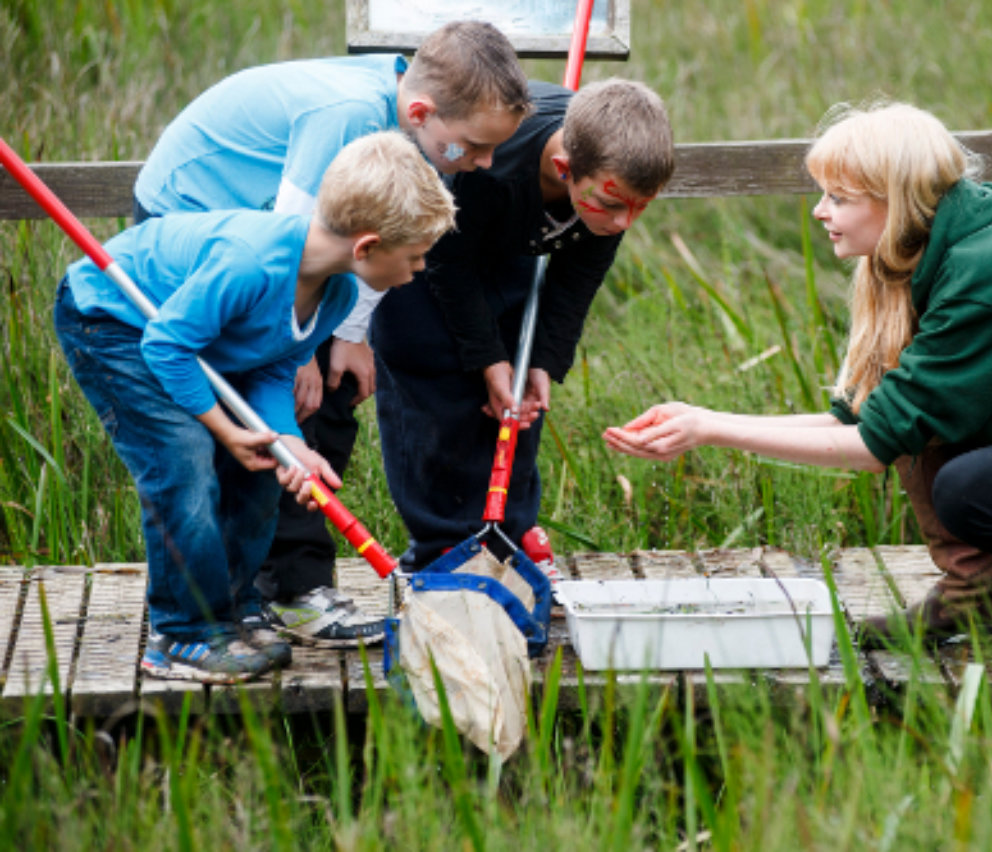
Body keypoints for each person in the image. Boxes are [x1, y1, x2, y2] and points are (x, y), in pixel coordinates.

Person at [603, 101, 992, 663]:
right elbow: (864, 422)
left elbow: (870, 449)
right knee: (921, 426)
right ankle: (977, 597)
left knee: (972, 489)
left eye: (840, 197)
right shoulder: (929, 262)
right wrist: (701, 418)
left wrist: (710, 429)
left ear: (898, 198)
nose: (821, 213)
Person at [132, 21, 531, 647]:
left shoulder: (415, 125)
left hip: (267, 243)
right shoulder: (349, 120)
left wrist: (350, 334)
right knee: (288, 403)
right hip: (195, 231)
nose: (484, 163)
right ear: (422, 112)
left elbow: (371, 239)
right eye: (476, 147)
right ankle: (279, 592)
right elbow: (293, 244)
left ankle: (274, 589)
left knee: (331, 390)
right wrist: (304, 352)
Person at [57, 132, 456, 683]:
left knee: (263, 471)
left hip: (187, 342)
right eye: (413, 258)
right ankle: (183, 635)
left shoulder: (335, 292)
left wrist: (290, 444)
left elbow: (272, 366)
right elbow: (167, 348)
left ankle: (234, 610)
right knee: (184, 465)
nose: (416, 271)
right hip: (116, 320)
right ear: (366, 247)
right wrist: (224, 429)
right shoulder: (250, 263)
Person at [372, 78, 675, 570]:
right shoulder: (492, 166)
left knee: (517, 403)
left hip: (510, 248)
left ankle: (510, 536)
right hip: (420, 254)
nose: (626, 223)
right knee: (439, 394)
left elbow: (577, 279)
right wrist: (487, 359)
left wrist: (543, 361)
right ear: (563, 169)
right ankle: (442, 546)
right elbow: (450, 264)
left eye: (642, 208)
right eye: (616, 206)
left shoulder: (610, 186)